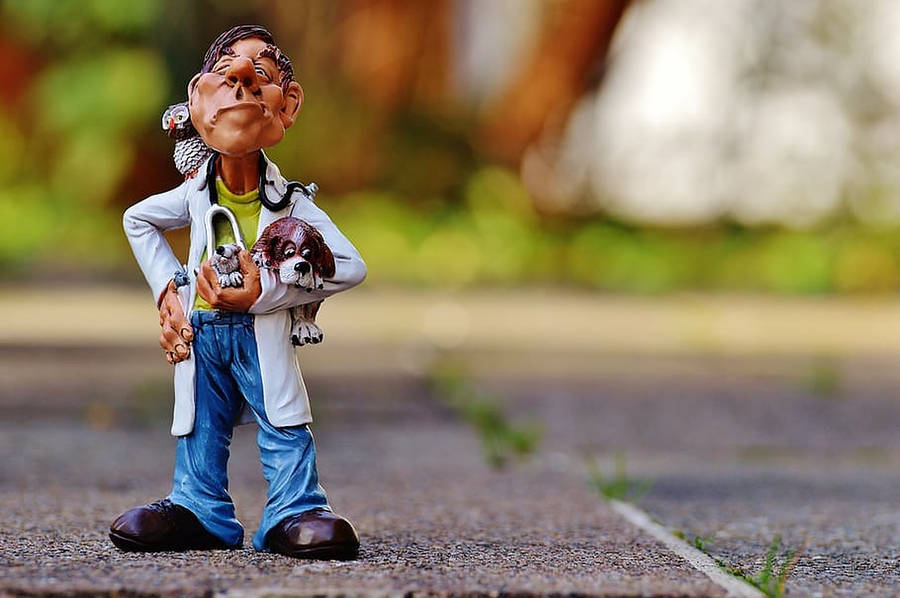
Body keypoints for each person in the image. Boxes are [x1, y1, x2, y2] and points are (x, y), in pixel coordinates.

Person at [110, 25, 366, 560]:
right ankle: (198, 507)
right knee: (199, 422)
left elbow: (351, 265)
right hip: (203, 334)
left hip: (259, 333)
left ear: (288, 105)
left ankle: (294, 508)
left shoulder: (293, 205)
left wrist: (265, 293)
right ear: (199, 98)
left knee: (283, 420)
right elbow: (138, 221)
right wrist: (169, 294)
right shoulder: (193, 193)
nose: (242, 81)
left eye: (262, 77)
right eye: (226, 74)